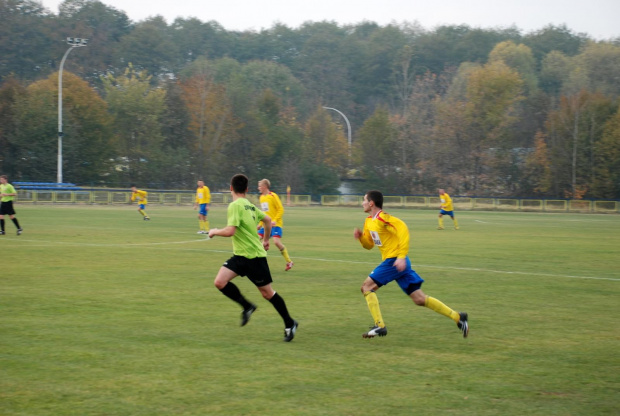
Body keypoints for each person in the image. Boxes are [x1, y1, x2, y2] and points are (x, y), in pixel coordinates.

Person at [353, 190, 469, 339]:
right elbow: (369, 245)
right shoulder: (369, 221)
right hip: (397, 263)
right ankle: (458, 317)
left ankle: (380, 326)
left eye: (364, 200)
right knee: (419, 299)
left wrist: (401, 257)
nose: (362, 203)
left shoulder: (384, 218)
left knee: (366, 287)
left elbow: (403, 229)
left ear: (371, 203)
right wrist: (361, 238)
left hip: (394, 261)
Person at [209, 174, 298, 342]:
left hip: (255, 257)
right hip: (241, 256)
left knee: (267, 293)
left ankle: (290, 323)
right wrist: (265, 240)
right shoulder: (249, 205)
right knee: (220, 282)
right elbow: (268, 220)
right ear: (247, 189)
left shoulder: (235, 205)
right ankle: (247, 306)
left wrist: (214, 231)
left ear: (231, 188)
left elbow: (230, 231)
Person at [258, 179, 293, 271]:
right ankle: (259, 264)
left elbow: (281, 209)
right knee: (256, 240)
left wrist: (274, 220)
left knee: (276, 242)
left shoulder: (273, 196)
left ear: (265, 186)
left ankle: (289, 262)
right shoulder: (261, 197)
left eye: (260, 186)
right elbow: (264, 213)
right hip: (266, 225)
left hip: (276, 224)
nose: (259, 188)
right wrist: (260, 223)